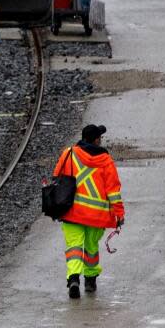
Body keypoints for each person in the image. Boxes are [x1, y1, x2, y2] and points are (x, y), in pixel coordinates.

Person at [53, 124, 124, 299]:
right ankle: (90, 280)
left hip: (71, 212)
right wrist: (119, 213)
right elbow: (113, 190)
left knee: (74, 247)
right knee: (91, 249)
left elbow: (56, 177)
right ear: (95, 140)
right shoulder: (106, 161)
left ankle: (74, 278)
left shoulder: (68, 154)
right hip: (96, 216)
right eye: (100, 137)